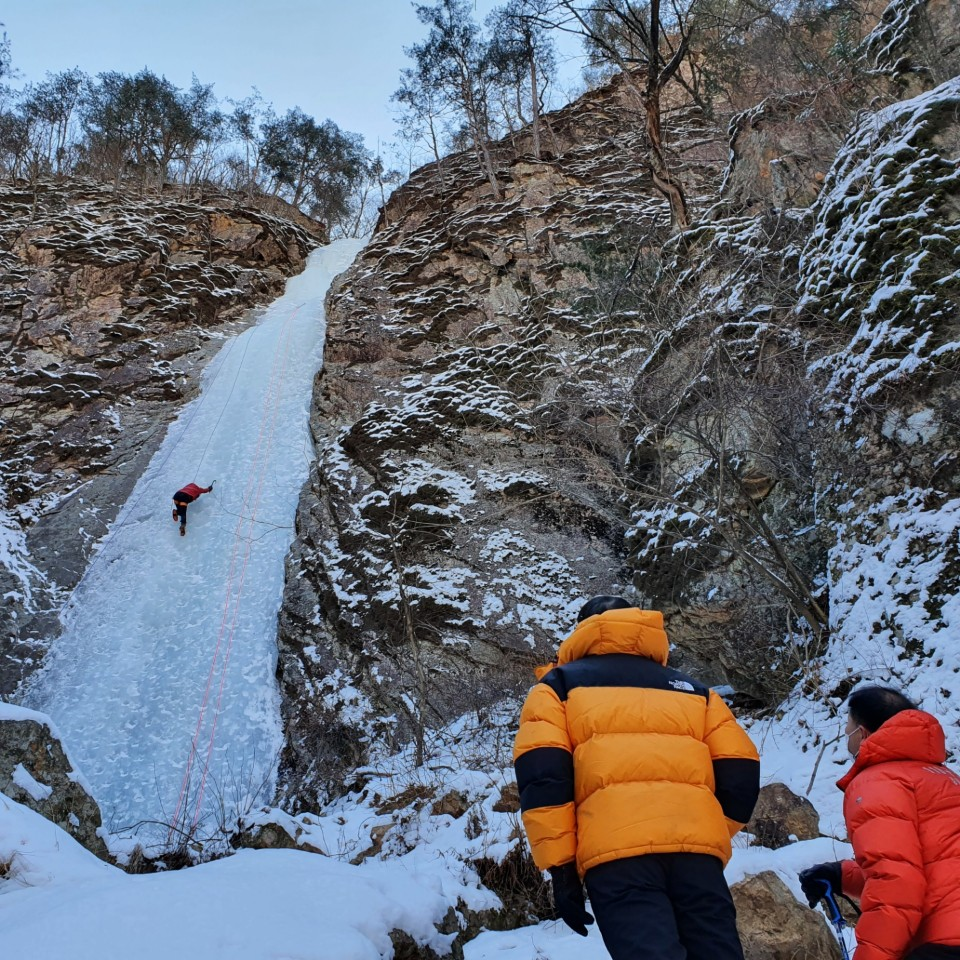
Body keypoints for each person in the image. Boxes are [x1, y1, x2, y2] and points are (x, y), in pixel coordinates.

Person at [513, 595, 760, 960]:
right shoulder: (696, 692)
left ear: (583, 630)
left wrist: (561, 867)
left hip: (617, 858)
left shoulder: (557, 688)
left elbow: (544, 775)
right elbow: (741, 769)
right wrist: (706, 827)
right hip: (697, 857)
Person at [798, 685, 960, 960]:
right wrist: (842, 875)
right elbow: (931, 870)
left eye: (847, 727)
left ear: (862, 733)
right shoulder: (944, 778)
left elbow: (896, 884)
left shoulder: (878, 781)